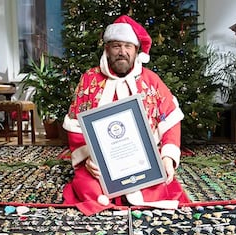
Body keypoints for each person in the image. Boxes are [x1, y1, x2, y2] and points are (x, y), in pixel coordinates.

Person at [62, 15, 189, 215]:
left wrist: (167, 158)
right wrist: (88, 159)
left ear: (136, 51)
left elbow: (171, 120)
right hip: (101, 164)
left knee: (155, 187)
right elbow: (75, 126)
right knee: (89, 187)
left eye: (128, 46)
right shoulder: (89, 80)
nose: (122, 52)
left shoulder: (151, 80)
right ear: (106, 49)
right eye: (116, 46)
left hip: (143, 162)